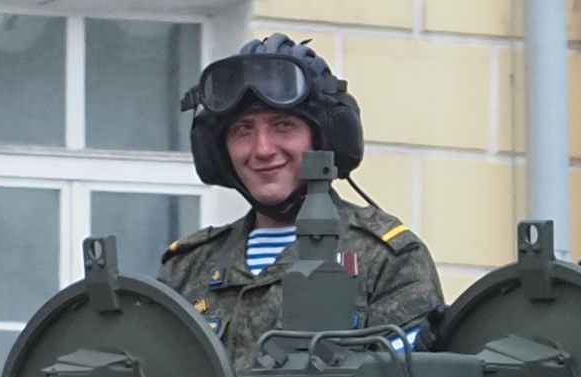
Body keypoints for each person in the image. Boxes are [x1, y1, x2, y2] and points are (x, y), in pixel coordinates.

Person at [157, 35, 442, 358]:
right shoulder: (187, 268)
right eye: (243, 130)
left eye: (283, 125)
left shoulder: (386, 259)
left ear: (323, 139)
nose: (262, 149)